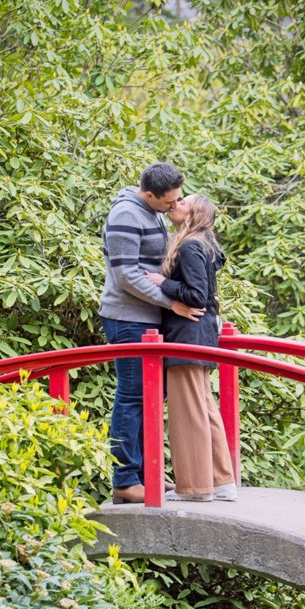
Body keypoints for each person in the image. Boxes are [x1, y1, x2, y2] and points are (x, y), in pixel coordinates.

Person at [99, 162, 205, 504]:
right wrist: (171, 302)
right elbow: (126, 275)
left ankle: (148, 474)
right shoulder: (127, 216)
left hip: (149, 321)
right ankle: (125, 481)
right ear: (149, 194)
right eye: (169, 202)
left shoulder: (152, 211)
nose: (174, 206)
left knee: (150, 398)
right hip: (127, 318)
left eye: (177, 199)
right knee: (131, 398)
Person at [145, 194, 237, 502]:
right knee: (204, 407)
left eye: (183, 202)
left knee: (188, 413)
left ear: (193, 214)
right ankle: (221, 481)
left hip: (187, 334)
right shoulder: (203, 244)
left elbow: (197, 296)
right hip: (200, 335)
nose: (176, 204)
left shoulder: (190, 246)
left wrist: (162, 282)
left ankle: (195, 487)